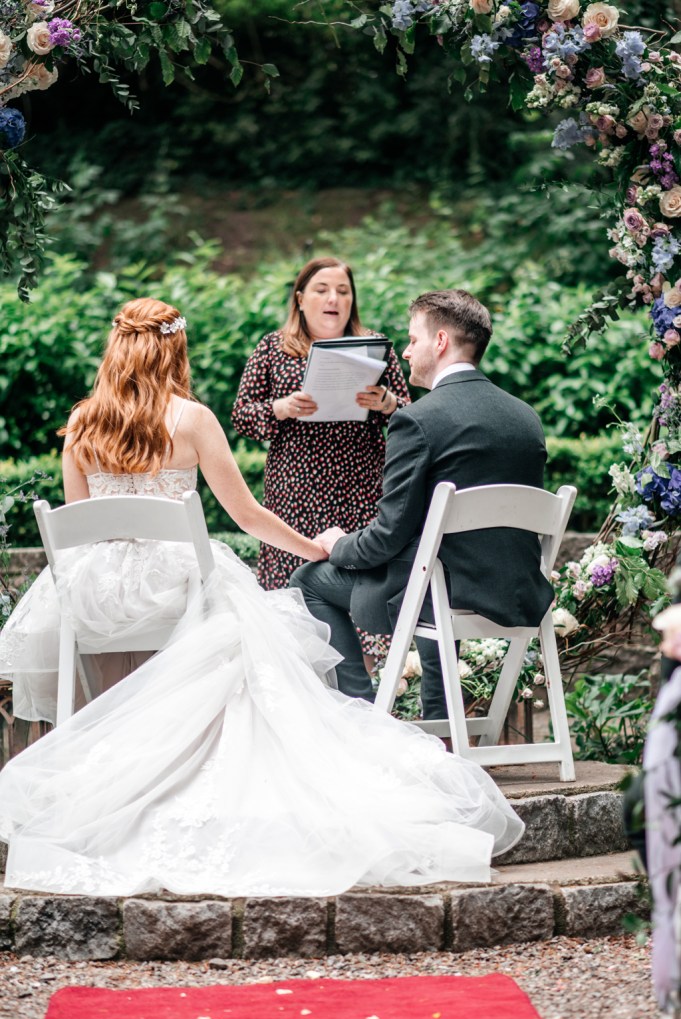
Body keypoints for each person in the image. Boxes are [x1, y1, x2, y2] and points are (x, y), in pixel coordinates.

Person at [0, 297, 524, 898]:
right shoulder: (191, 419)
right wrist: (315, 549)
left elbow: (81, 525)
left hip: (93, 600)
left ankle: (114, 767)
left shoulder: (82, 425)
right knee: (245, 623)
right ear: (174, 350)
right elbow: (247, 516)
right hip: (173, 594)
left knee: (208, 622)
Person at [292, 289, 555, 715]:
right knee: (431, 564)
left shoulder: (417, 419)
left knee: (310, 581)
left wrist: (338, 544)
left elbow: (387, 536)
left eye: (413, 340)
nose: (407, 351)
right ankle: (441, 721)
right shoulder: (525, 417)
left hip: (441, 590)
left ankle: (358, 714)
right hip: (516, 590)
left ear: (441, 341)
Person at [232, 257, 410, 671]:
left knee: (360, 589)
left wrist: (386, 403)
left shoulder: (375, 345)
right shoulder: (273, 347)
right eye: (322, 289)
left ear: (353, 301)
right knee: (294, 596)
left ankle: (363, 689)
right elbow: (241, 416)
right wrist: (280, 408)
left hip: (361, 489)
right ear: (300, 298)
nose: (334, 299)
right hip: (296, 492)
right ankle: (297, 682)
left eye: (343, 291)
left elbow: (411, 418)